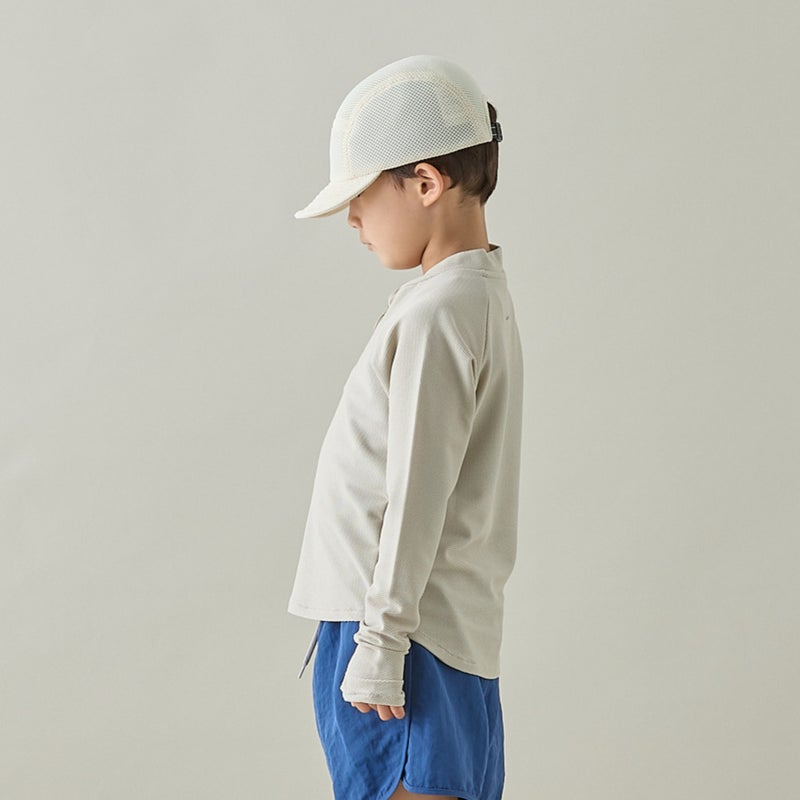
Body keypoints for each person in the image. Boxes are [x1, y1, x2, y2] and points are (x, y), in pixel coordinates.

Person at [287, 54, 523, 800]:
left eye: (361, 196)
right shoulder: (470, 295)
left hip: (399, 632)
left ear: (425, 182)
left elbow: (418, 493)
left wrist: (381, 643)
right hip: (424, 630)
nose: (353, 220)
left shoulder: (438, 312)